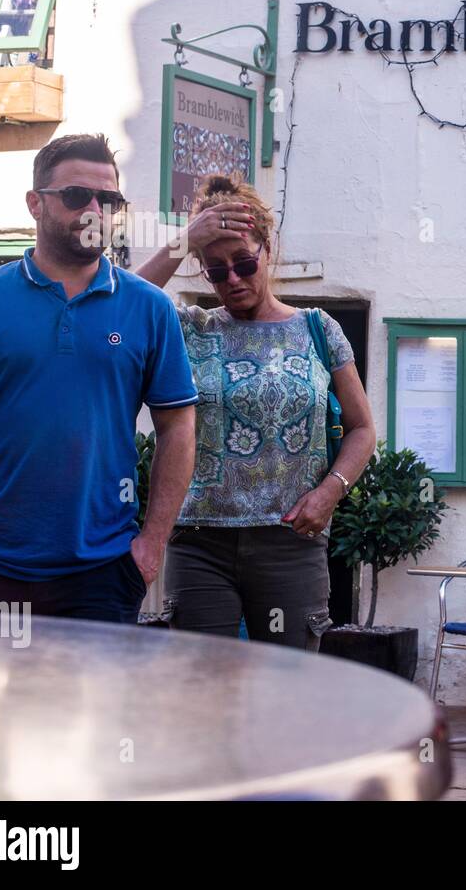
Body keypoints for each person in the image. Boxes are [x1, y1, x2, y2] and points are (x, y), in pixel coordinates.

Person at [0, 134, 197, 622]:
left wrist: (151, 545)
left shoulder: (149, 308)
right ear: (35, 203)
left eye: (109, 199)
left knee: (89, 703)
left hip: (101, 572)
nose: (95, 209)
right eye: (76, 196)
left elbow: (178, 426)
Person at [135, 174, 376, 651]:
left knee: (286, 691)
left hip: (289, 541)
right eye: (216, 269)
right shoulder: (191, 329)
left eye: (244, 262)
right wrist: (185, 241)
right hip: (199, 540)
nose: (234, 279)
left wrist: (330, 492)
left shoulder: (318, 329)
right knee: (205, 690)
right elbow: (121, 304)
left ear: (269, 250)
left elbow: (363, 428)